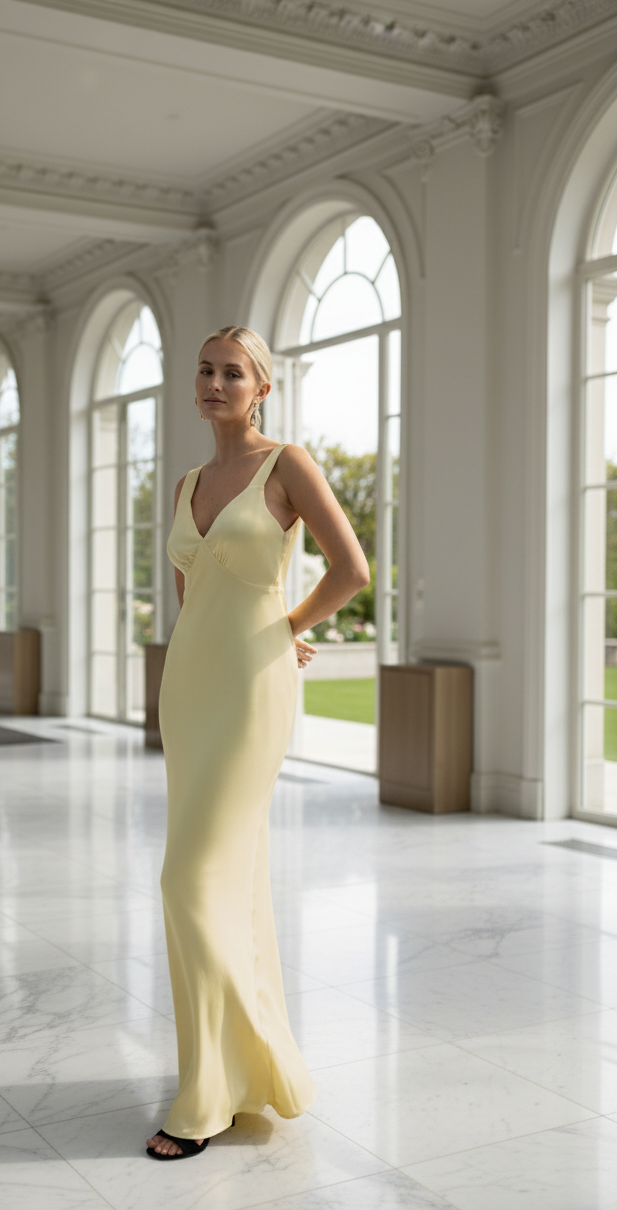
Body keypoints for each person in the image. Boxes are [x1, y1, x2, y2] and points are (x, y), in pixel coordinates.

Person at [146, 326, 370, 1159]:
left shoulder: (288, 465)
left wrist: (287, 626)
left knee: (186, 880)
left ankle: (207, 1095)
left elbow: (351, 570)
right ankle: (239, 1070)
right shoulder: (186, 482)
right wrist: (244, 625)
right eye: (204, 370)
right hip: (189, 688)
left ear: (261, 388)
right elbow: (190, 592)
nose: (213, 382)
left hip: (249, 688)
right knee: (222, 880)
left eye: (230, 372)